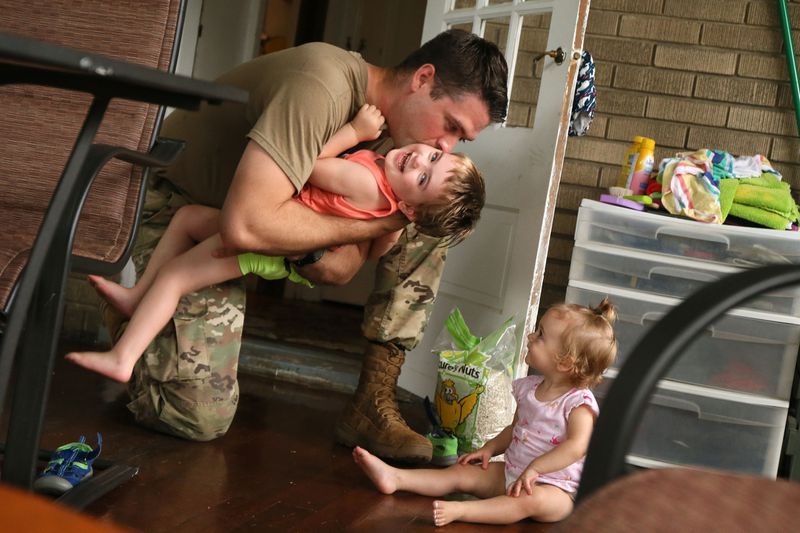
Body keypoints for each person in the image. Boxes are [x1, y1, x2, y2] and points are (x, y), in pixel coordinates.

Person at [102, 29, 508, 457]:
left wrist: (352, 236)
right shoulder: (320, 85)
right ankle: (138, 310)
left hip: (238, 225)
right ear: (423, 79)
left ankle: (373, 399)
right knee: (196, 414)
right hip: (175, 201)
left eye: (460, 140)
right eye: (451, 126)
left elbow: (341, 268)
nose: (445, 145)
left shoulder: (405, 153)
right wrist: (368, 228)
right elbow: (247, 227)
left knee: (432, 213)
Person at [68, 104, 485, 383]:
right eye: (434, 157)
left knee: (176, 277)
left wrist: (353, 131)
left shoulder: (366, 181)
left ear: (411, 208)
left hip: (268, 241)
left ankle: (124, 358)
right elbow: (379, 248)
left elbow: (307, 163)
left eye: (423, 179)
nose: (419, 160)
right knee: (188, 218)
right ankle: (135, 297)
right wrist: (389, 221)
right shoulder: (391, 207)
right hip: (280, 236)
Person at [352, 298, 618, 526]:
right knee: (460, 473)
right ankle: (396, 478)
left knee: (529, 501)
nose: (530, 336)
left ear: (565, 362)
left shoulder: (577, 403)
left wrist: (536, 469)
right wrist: (489, 449)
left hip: (556, 490)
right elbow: (515, 428)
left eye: (540, 335)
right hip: (513, 472)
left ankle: (463, 511)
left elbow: (577, 446)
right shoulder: (530, 388)